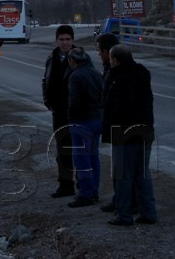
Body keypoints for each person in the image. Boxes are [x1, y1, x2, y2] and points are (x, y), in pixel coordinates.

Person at [102, 44, 159, 226]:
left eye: (111, 60)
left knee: (122, 176)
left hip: (123, 132)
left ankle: (123, 214)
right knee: (142, 174)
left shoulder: (118, 79)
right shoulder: (142, 74)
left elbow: (117, 108)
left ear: (116, 60)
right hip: (145, 130)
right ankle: (149, 213)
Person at [41, 25, 78, 198]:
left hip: (77, 112)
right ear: (57, 41)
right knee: (62, 150)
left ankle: (86, 188)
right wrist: (47, 101)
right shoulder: (52, 58)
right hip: (58, 112)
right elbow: (45, 80)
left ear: (72, 40)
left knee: (80, 151)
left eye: (68, 39)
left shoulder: (80, 58)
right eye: (62, 40)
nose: (65, 43)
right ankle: (66, 185)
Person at [65, 48, 104, 208]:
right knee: (94, 157)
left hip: (81, 121)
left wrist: (70, 119)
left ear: (72, 61)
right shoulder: (96, 74)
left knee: (82, 159)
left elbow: (74, 102)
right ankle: (93, 190)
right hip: (97, 120)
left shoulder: (76, 76)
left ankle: (86, 193)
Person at [95, 32, 123, 212]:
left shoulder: (116, 72)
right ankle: (120, 198)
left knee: (122, 168)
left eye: (99, 50)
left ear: (107, 51)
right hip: (116, 124)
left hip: (121, 125)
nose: (98, 54)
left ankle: (123, 202)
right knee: (119, 167)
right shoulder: (110, 69)